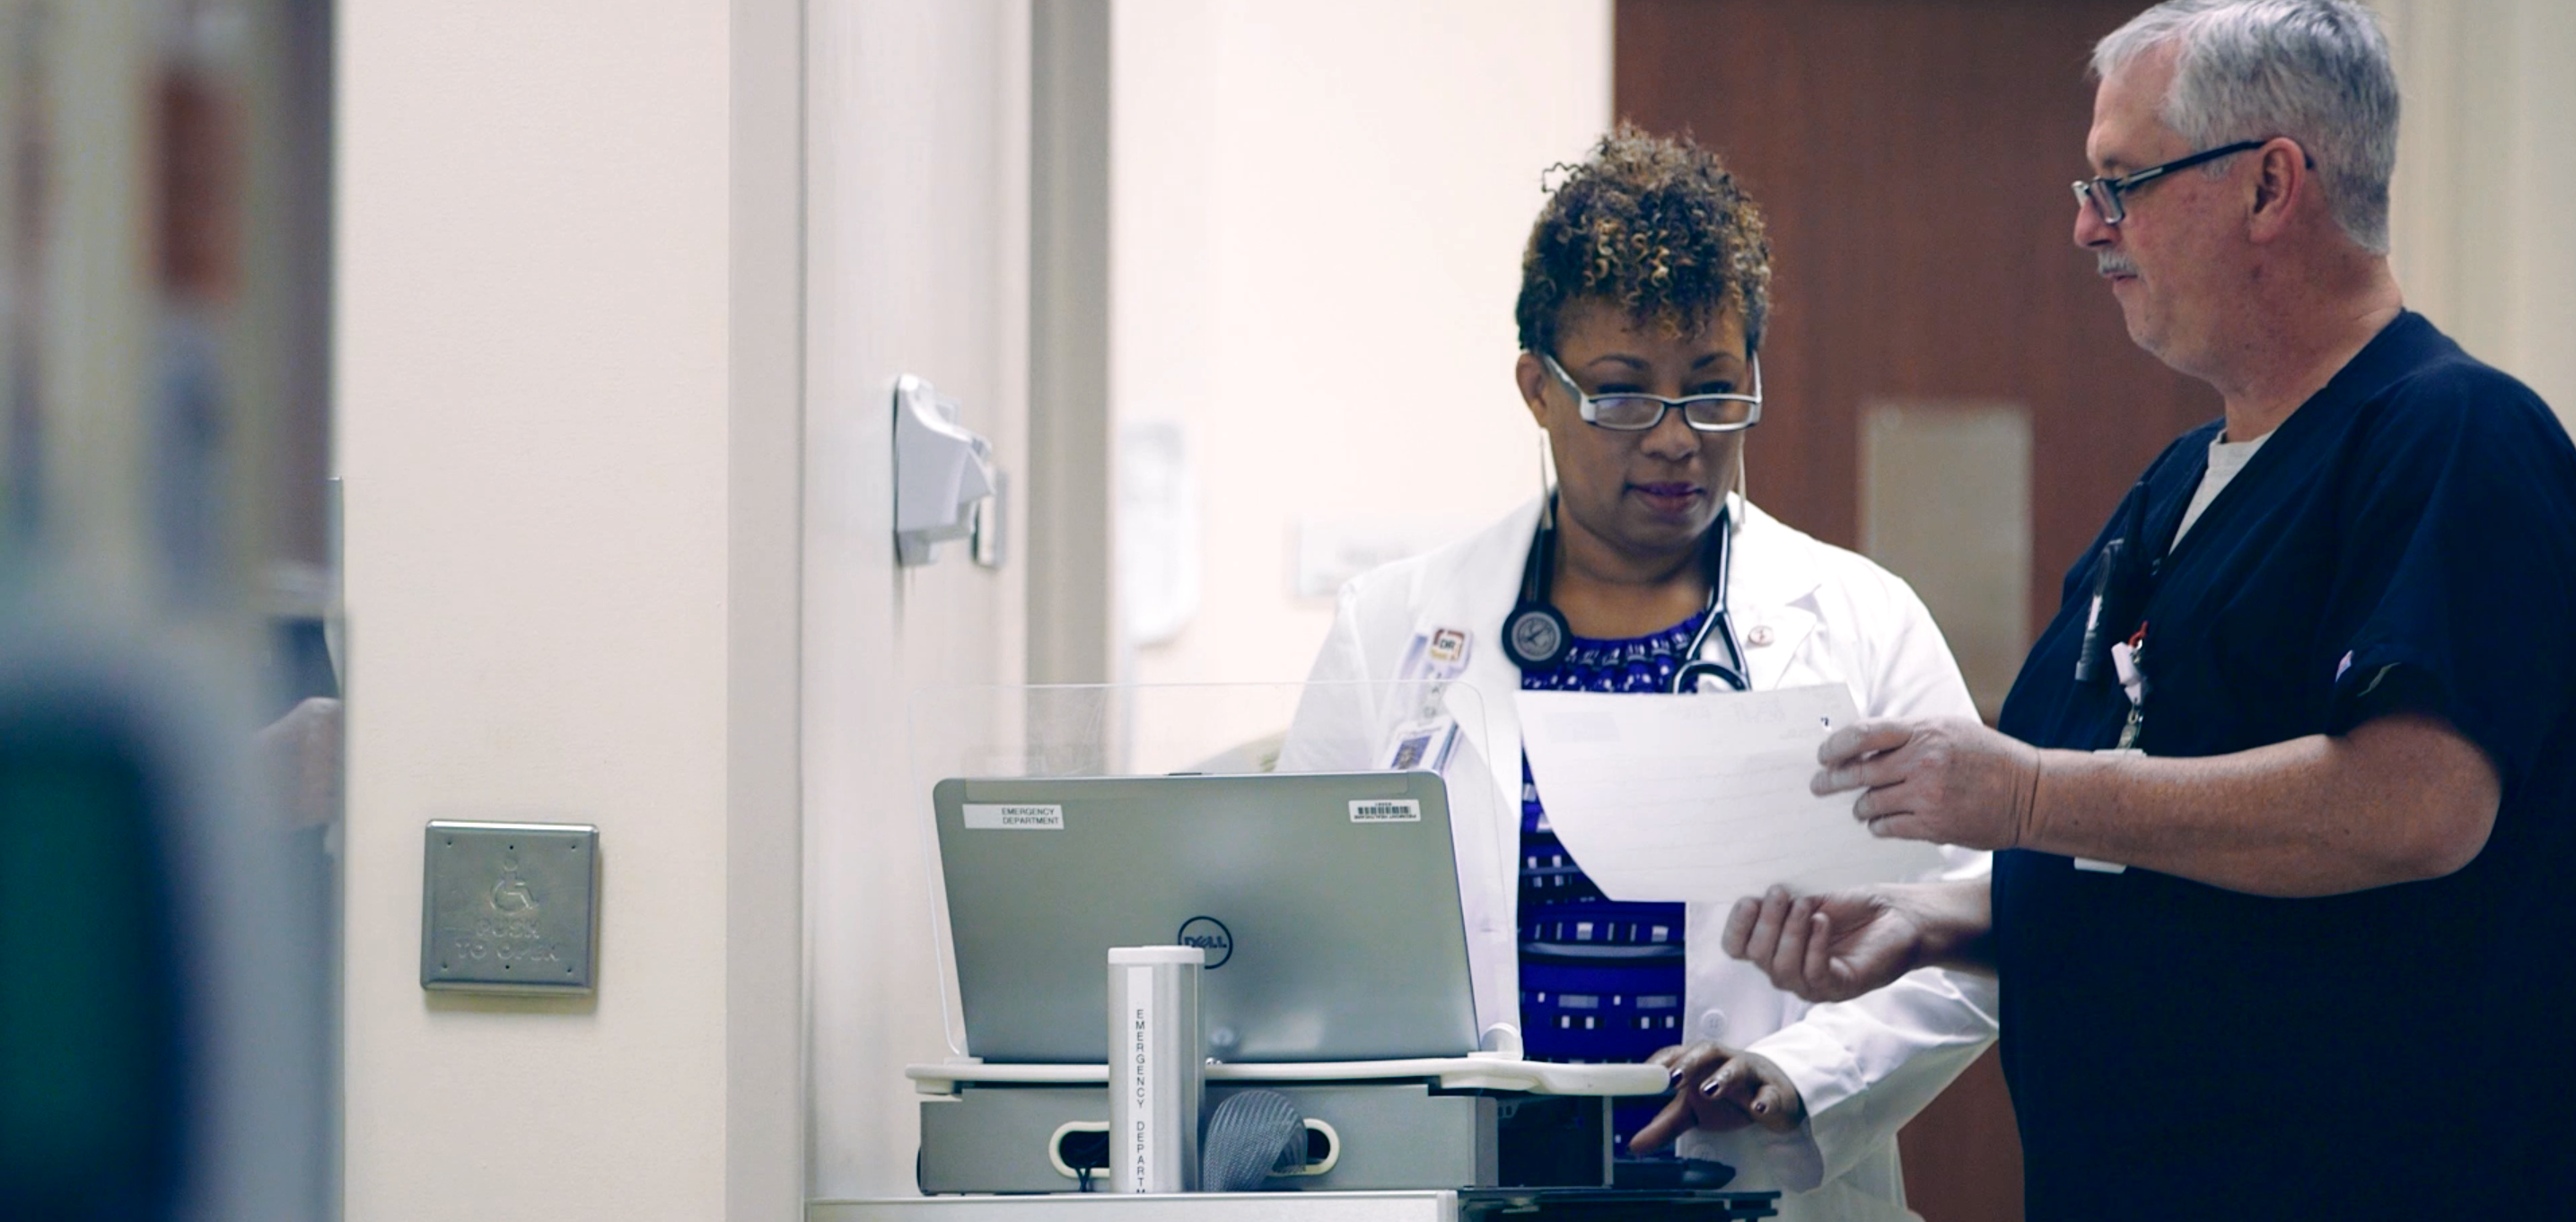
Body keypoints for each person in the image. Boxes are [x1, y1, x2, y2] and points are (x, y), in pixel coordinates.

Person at [1723, 3, 2576, 1218]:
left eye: (2119, 184)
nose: (2083, 226)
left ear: (2269, 185)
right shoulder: (2178, 487)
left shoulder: (2454, 440)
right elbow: (2150, 838)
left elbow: (2413, 804)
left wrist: (2022, 794)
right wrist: (1935, 916)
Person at [1280, 127, 1998, 1222]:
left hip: (1752, 1190)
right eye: (1621, 396)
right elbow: (1304, 926)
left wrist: (1808, 1072)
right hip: (1473, 1188)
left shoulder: (1857, 620)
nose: (1675, 440)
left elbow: (1977, 923)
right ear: (1537, 388)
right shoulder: (1393, 627)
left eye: (1713, 392)